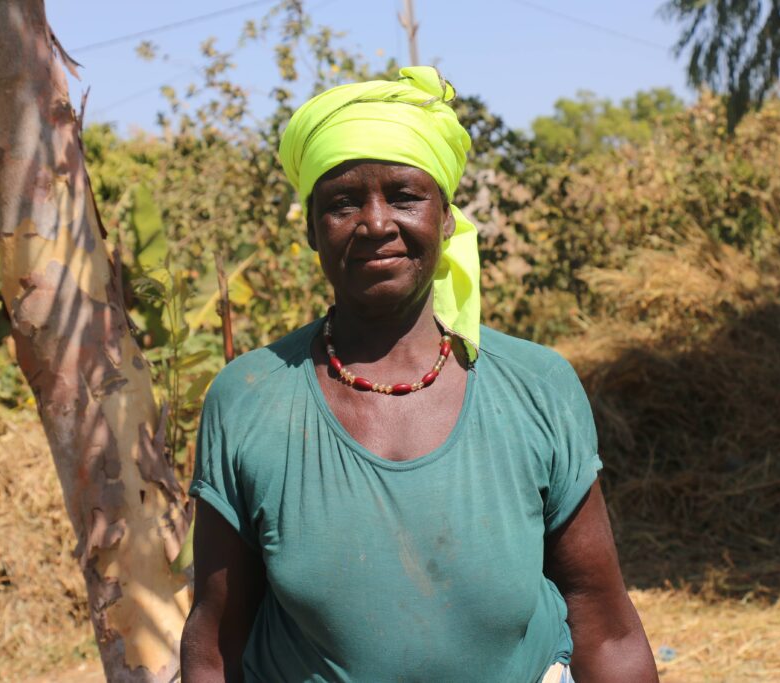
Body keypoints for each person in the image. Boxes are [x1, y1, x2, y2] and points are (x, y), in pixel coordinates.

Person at [180, 66, 658, 683]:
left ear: (448, 219)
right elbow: (216, 640)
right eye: (343, 203)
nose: (376, 223)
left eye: (404, 196)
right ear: (310, 229)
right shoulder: (249, 399)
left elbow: (605, 625)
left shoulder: (537, 387)